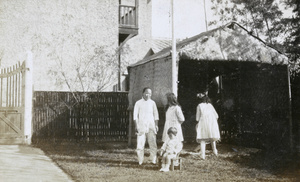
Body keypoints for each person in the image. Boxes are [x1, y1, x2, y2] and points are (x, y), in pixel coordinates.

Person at [133, 87, 159, 165]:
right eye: (147, 93)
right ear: (143, 93)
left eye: (150, 93)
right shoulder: (138, 103)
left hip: (151, 126)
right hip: (141, 126)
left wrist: (156, 125)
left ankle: (153, 159)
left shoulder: (152, 103)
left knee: (153, 143)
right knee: (140, 144)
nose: (148, 95)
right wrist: (136, 126)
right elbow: (135, 116)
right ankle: (140, 160)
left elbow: (156, 115)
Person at [195, 92, 220, 160]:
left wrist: (198, 123)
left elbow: (197, 118)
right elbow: (216, 116)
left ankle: (203, 155)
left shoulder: (199, 106)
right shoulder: (210, 105)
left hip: (203, 122)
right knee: (212, 137)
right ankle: (215, 151)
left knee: (202, 138)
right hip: (212, 122)